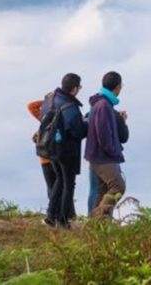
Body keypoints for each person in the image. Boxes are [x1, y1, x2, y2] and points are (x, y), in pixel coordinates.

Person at [43, 73, 88, 228]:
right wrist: (87, 122)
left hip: (50, 147)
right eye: (79, 87)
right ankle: (63, 220)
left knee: (59, 180)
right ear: (74, 88)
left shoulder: (50, 99)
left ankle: (50, 215)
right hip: (66, 150)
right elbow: (78, 131)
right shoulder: (70, 106)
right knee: (69, 183)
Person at [85, 71, 127, 218]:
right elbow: (103, 134)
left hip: (98, 154)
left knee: (102, 191)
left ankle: (95, 225)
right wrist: (113, 150)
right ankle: (100, 219)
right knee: (118, 186)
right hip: (102, 155)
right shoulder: (103, 105)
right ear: (118, 86)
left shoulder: (102, 103)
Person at [27, 94, 57, 205]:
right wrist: (46, 102)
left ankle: (56, 212)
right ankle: (55, 213)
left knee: (54, 187)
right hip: (48, 157)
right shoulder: (46, 116)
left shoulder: (48, 116)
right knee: (55, 186)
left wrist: (47, 102)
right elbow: (31, 106)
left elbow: (31, 106)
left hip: (47, 157)